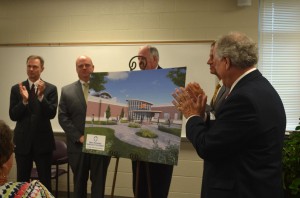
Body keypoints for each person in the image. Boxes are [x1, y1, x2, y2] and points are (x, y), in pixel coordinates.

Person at [172, 32, 286, 198]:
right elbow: (229, 134)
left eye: (215, 61)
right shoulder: (260, 86)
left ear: (226, 62)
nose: (212, 65)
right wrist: (203, 115)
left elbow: (208, 147)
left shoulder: (243, 98)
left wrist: (192, 116)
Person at [58, 55, 111, 198]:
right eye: (80, 65)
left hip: (101, 146)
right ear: (76, 69)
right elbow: (63, 117)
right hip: (78, 146)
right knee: (79, 184)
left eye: (87, 65)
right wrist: (79, 137)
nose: (84, 68)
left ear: (93, 68)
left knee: (98, 184)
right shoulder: (67, 91)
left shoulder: (106, 89)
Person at [9, 55, 58, 191]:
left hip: (43, 142)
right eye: (29, 66)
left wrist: (41, 97)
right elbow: (13, 115)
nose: (31, 69)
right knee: (22, 183)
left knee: (45, 182)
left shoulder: (50, 89)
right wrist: (24, 101)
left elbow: (51, 114)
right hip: (22, 142)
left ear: (42, 68)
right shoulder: (16, 88)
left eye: (35, 66)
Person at [131, 45, 173, 198]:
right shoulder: (133, 79)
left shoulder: (169, 80)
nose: (139, 62)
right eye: (138, 58)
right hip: (138, 149)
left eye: (143, 58)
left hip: (160, 152)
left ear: (155, 59)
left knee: (158, 189)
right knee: (138, 188)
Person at [0, 120, 54, 197]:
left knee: (45, 182)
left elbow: (52, 112)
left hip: (43, 145)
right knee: (22, 179)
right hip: (23, 144)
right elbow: (13, 115)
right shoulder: (36, 192)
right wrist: (23, 106)